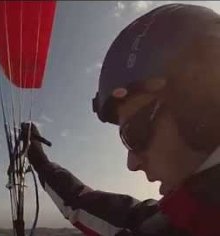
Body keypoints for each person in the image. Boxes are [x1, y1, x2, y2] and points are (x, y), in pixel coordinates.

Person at [21, 3, 220, 236]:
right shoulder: (178, 220)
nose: (131, 164)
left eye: (134, 134)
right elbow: (91, 207)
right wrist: (41, 162)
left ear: (200, 109)